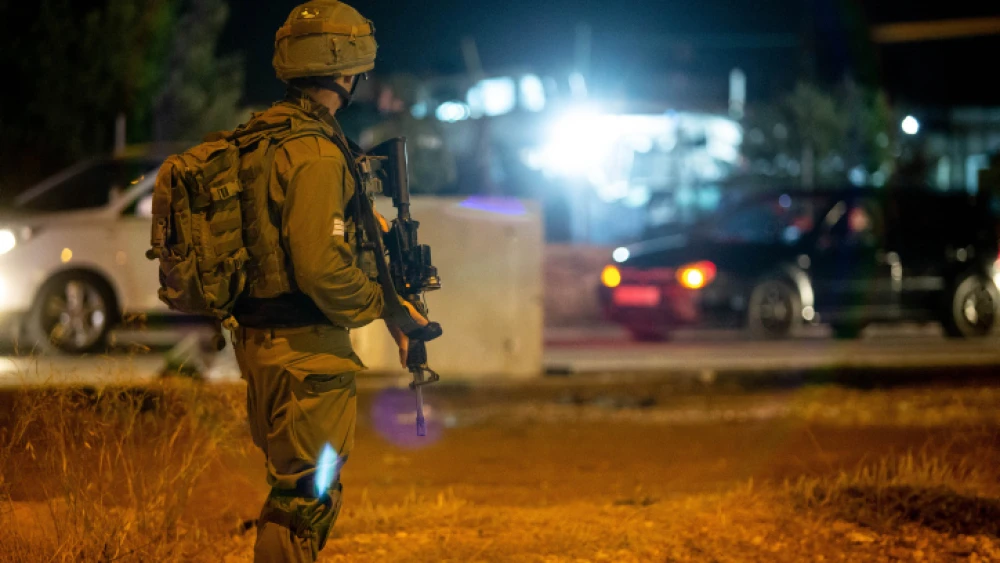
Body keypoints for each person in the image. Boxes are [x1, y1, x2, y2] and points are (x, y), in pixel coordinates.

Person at [230, 2, 426, 560]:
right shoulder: (315, 153)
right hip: (304, 353)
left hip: (268, 343)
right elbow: (320, 266)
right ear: (346, 71)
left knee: (297, 486)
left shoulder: (262, 138)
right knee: (306, 496)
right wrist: (381, 303)